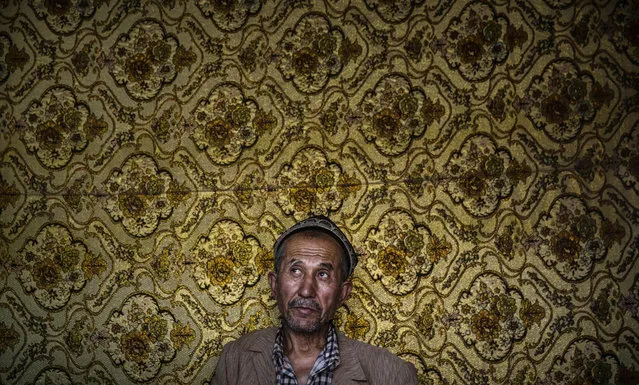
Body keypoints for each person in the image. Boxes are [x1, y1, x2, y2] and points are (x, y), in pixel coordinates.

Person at [211, 215, 418, 385]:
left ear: (343, 293)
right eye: (296, 270)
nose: (306, 290)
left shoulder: (393, 375)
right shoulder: (235, 358)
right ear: (274, 285)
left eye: (322, 274)